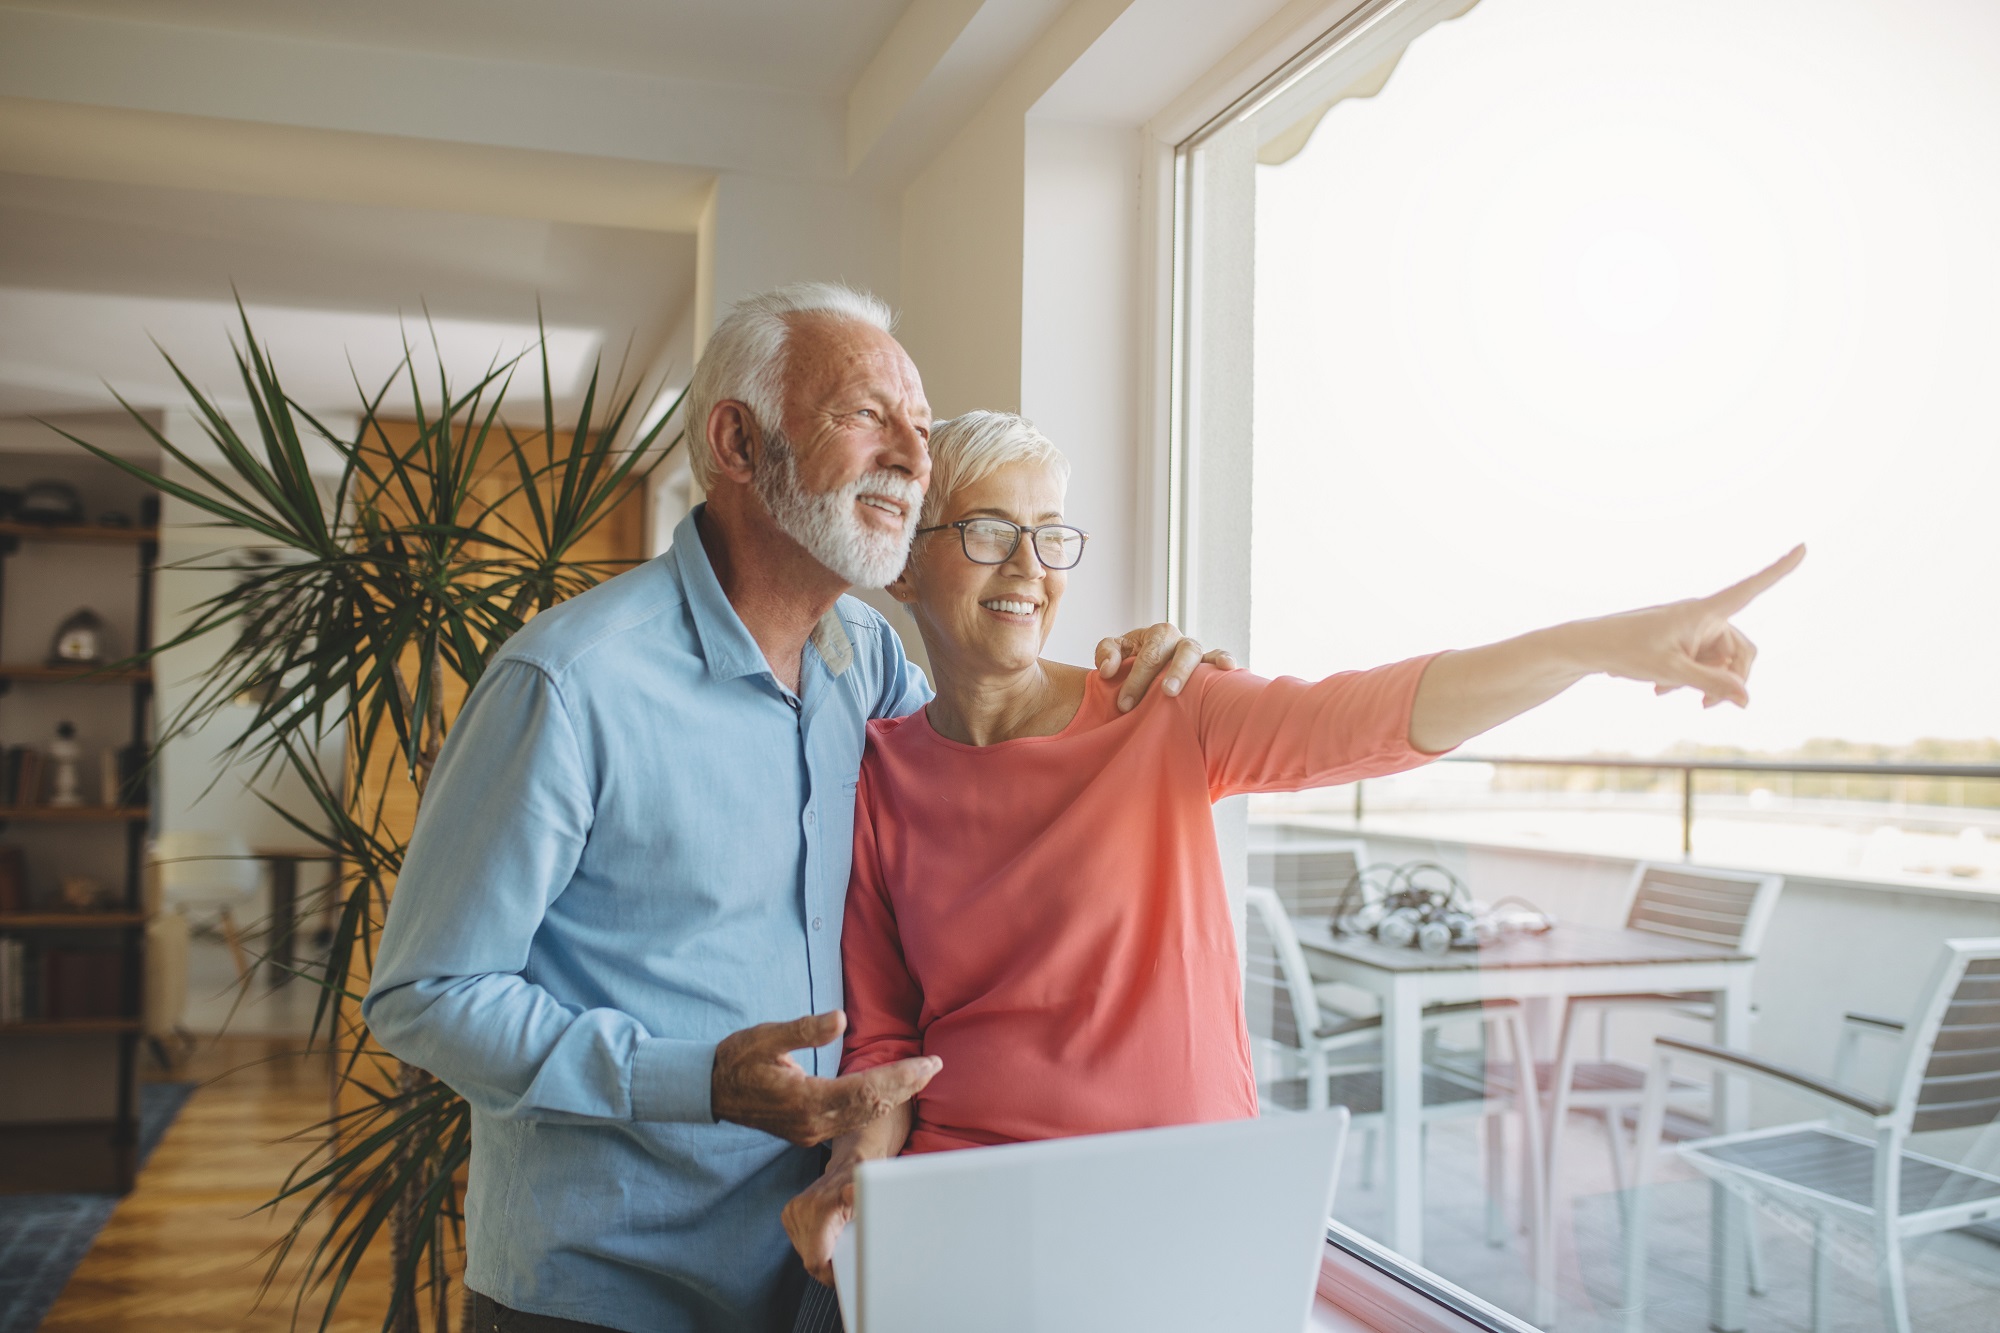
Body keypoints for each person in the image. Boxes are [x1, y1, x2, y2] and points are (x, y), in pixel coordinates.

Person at [783, 411, 1802, 1325]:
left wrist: (1598, 644)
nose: (1027, 567)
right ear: (905, 563)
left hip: (1187, 1202)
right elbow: (888, 1038)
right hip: (972, 1196)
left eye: (1049, 535)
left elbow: (1370, 718)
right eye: (987, 531)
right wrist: (852, 1170)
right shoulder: (880, 772)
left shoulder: (1159, 706)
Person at [362, 288, 1228, 1333]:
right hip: (604, 1290)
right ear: (738, 439)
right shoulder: (571, 684)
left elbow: (990, 771)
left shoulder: (866, 664)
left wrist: (1138, 692)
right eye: (868, 415)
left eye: (919, 423)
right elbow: (423, 994)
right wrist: (698, 1082)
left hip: (815, 1278)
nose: (913, 454)